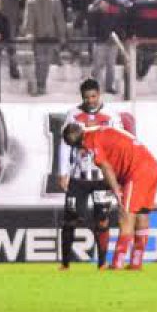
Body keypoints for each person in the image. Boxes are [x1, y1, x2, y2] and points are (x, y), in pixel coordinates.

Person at [62, 123, 157, 271]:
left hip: (137, 171)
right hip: (152, 166)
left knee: (125, 215)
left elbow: (106, 167)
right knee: (142, 214)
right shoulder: (100, 130)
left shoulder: (90, 140)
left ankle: (117, 263)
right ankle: (136, 262)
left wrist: (116, 191)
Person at [59, 79, 121, 270]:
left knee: (102, 219)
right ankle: (65, 263)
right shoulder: (73, 115)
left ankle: (102, 263)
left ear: (99, 94)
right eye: (87, 97)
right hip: (78, 177)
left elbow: (119, 143)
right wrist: (63, 172)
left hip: (102, 177)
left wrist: (117, 174)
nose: (91, 100)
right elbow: (64, 144)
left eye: (93, 96)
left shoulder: (111, 115)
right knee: (70, 217)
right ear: (82, 97)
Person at [23, 0, 67, 96]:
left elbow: (59, 18)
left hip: (51, 36)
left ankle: (42, 84)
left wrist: (62, 34)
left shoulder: (54, 0)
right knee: (38, 61)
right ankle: (39, 84)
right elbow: (28, 18)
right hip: (38, 37)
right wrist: (29, 32)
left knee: (46, 62)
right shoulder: (31, 1)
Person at [87, 0, 125, 94]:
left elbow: (122, 16)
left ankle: (109, 86)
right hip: (100, 39)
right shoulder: (97, 2)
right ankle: (95, 86)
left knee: (111, 65)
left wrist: (119, 34)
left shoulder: (117, 4)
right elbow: (90, 17)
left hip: (113, 39)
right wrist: (99, 9)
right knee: (97, 64)